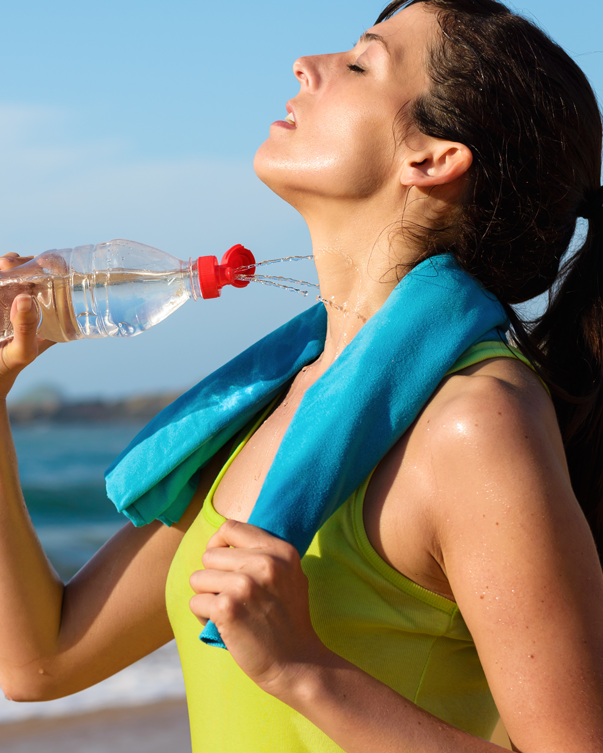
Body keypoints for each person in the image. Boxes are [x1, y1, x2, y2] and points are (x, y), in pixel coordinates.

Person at [0, 0, 602, 750]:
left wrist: (303, 669)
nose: (303, 65)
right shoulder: (267, 407)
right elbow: (41, 661)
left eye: (359, 63)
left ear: (432, 158)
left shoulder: (474, 419)